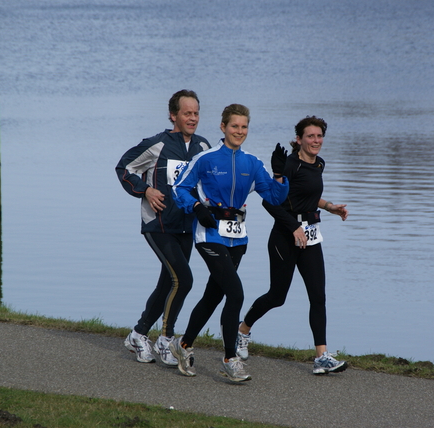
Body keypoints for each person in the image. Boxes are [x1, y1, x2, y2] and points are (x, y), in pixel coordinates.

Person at [169, 104, 289, 382]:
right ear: (223, 127)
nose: (240, 131)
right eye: (234, 126)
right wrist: (196, 206)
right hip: (209, 233)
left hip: (238, 237)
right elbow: (179, 188)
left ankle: (182, 345)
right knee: (235, 293)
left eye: (244, 127)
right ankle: (229, 358)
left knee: (214, 295)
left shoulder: (252, 162)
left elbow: (274, 197)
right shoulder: (206, 158)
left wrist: (280, 175)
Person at [236, 115, 349, 375]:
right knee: (277, 296)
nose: (316, 141)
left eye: (319, 136)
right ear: (298, 139)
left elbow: (308, 195)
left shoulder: (319, 163)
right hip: (285, 237)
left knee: (318, 296)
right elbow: (270, 202)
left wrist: (329, 207)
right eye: (310, 136)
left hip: (310, 236)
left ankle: (321, 357)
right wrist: (294, 226)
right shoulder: (289, 165)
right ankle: (242, 330)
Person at [115, 90, 210, 366]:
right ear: (173, 115)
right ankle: (166, 340)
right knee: (184, 280)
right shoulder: (157, 144)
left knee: (169, 282)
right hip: (158, 224)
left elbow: (209, 182)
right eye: (186, 113)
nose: (192, 118)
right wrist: (146, 191)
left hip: (186, 226)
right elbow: (124, 168)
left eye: (195, 113)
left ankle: (138, 334)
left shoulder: (203, 147)